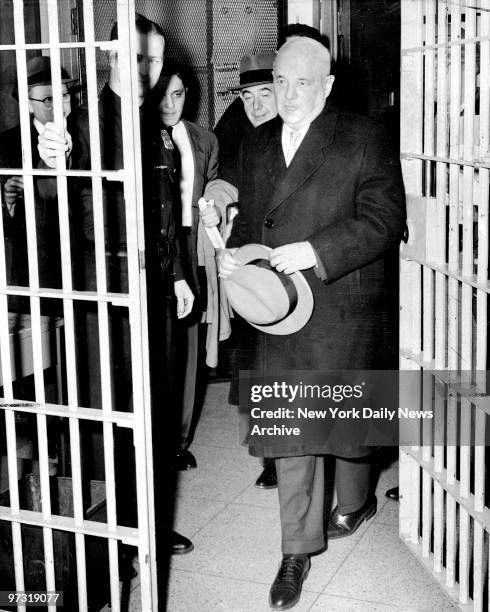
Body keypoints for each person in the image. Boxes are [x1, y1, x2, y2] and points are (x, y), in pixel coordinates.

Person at [218, 37, 406, 610]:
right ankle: (296, 548)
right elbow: (253, 221)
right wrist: (236, 252)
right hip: (281, 312)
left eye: (303, 83)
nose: (290, 95)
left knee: (348, 435)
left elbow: (385, 220)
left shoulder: (363, 135)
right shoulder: (254, 143)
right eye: (281, 81)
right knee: (290, 431)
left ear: (327, 86)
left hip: (340, 306)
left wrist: (315, 251)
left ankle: (356, 501)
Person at [71, 13, 194, 558]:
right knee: (116, 412)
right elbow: (59, 196)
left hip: (158, 287)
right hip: (111, 293)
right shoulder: (84, 125)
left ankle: (148, 520)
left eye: (157, 58)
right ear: (112, 55)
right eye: (139, 56)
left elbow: (166, 213)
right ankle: (117, 533)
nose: (149, 68)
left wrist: (179, 277)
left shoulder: (152, 126)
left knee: (158, 411)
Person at [149, 58, 225, 471]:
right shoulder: (139, 135)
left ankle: (178, 440)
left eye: (177, 94)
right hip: (152, 251)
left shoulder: (205, 140)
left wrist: (216, 206)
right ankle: (151, 438)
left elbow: (216, 186)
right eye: (162, 94)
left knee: (189, 350)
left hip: (191, 248)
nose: (169, 104)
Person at [214, 51, 279, 490]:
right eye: (246, 96)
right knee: (256, 361)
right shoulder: (237, 132)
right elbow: (217, 180)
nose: (255, 106)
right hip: (251, 268)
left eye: (265, 94)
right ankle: (271, 455)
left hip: (294, 268)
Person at [0, 56, 76, 298]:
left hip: (83, 261)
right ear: (28, 103)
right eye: (47, 99)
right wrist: (8, 201)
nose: (59, 106)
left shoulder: (88, 133)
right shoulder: (7, 145)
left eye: (63, 96)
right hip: (36, 267)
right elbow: (7, 226)